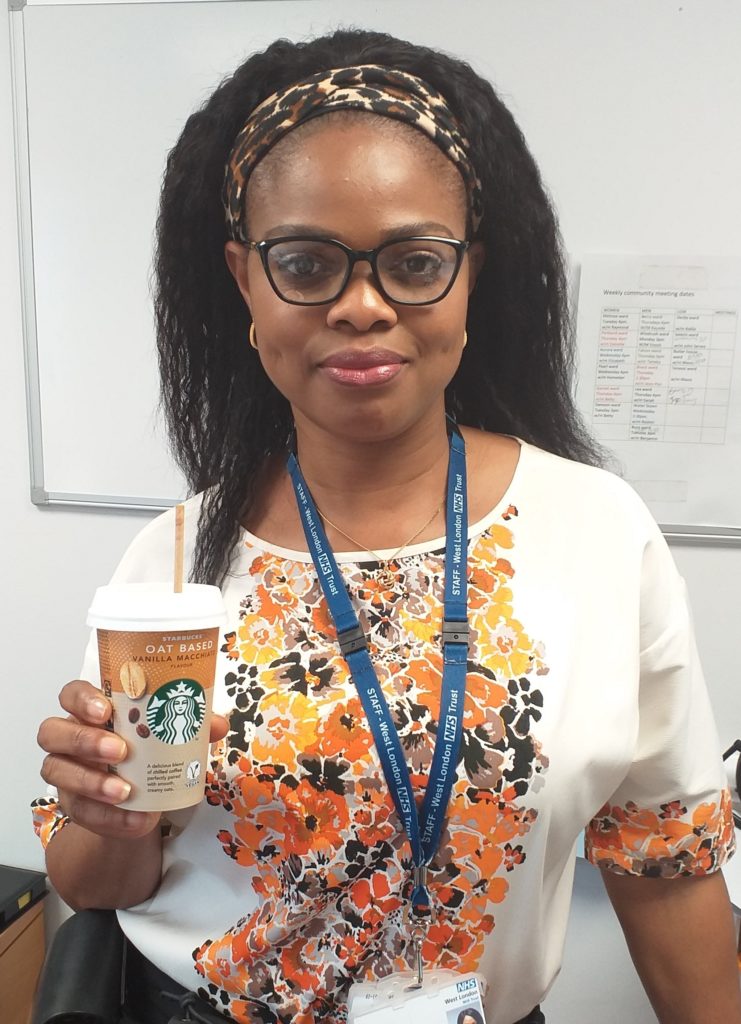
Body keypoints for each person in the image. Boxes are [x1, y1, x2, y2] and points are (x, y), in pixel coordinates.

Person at [33, 27, 739, 1024]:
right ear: (246, 281)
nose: (362, 306)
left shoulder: (597, 534)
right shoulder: (177, 561)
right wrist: (112, 817)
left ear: (469, 274)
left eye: (412, 261)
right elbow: (101, 883)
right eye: (308, 263)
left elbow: (664, 860)